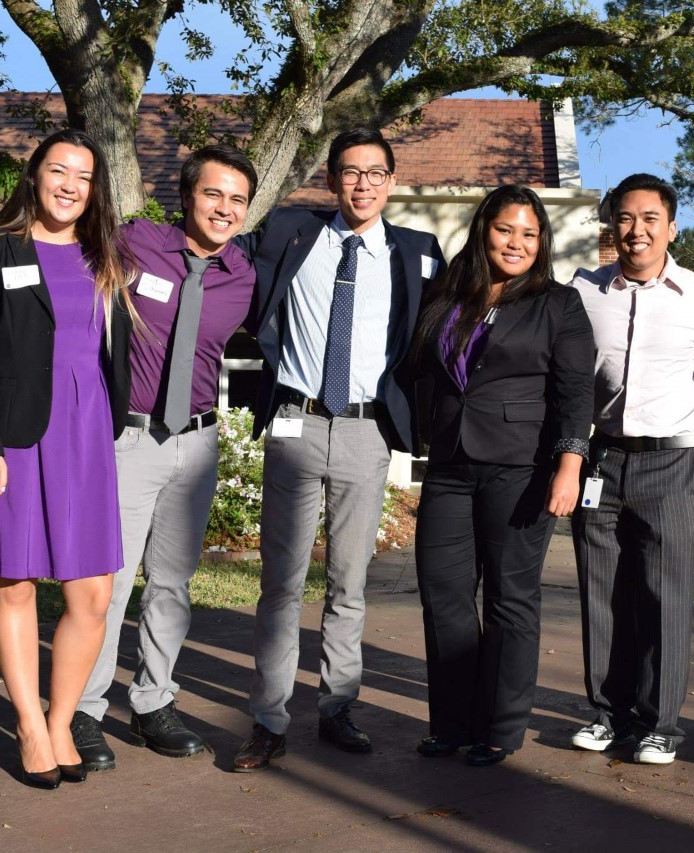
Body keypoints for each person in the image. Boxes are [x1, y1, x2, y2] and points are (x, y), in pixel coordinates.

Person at [230, 128, 445, 771]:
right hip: (295, 421)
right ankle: (269, 719)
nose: (363, 185)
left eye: (376, 173)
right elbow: (202, 248)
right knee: (281, 583)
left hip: (365, 431)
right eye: (351, 172)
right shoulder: (286, 233)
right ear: (331, 178)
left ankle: (337, 706)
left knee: (349, 582)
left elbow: (458, 317)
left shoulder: (419, 252)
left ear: (392, 182)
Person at [0, 128, 132, 789]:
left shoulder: (102, 254)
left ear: (94, 188)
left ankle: (61, 719)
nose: (70, 184)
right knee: (15, 581)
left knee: (94, 595)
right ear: (34, 176)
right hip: (16, 439)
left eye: (83, 175)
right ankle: (28, 723)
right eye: (59, 170)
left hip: (85, 438)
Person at [66, 145, 259, 770]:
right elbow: (60, 258)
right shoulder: (135, 243)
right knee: (111, 581)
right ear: (186, 196)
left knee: (171, 585)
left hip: (198, 442)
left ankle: (152, 702)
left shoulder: (244, 274)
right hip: (129, 440)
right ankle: (84, 710)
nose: (224, 208)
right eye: (213, 194)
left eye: (237, 199)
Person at [407, 185, 594, 766]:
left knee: (511, 600)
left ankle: (500, 729)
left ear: (542, 243)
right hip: (449, 467)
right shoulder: (446, 295)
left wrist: (570, 466)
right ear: (484, 230)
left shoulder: (558, 305)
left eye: (529, 234)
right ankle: (452, 723)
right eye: (505, 229)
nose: (516, 242)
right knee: (445, 598)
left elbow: (575, 390)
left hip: (522, 469)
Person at [568, 174, 694, 765]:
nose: (638, 230)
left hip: (673, 460)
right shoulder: (582, 291)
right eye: (626, 218)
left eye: (651, 218)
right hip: (602, 460)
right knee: (600, 592)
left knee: (664, 594)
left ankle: (662, 725)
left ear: (672, 227)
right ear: (612, 227)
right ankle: (607, 714)